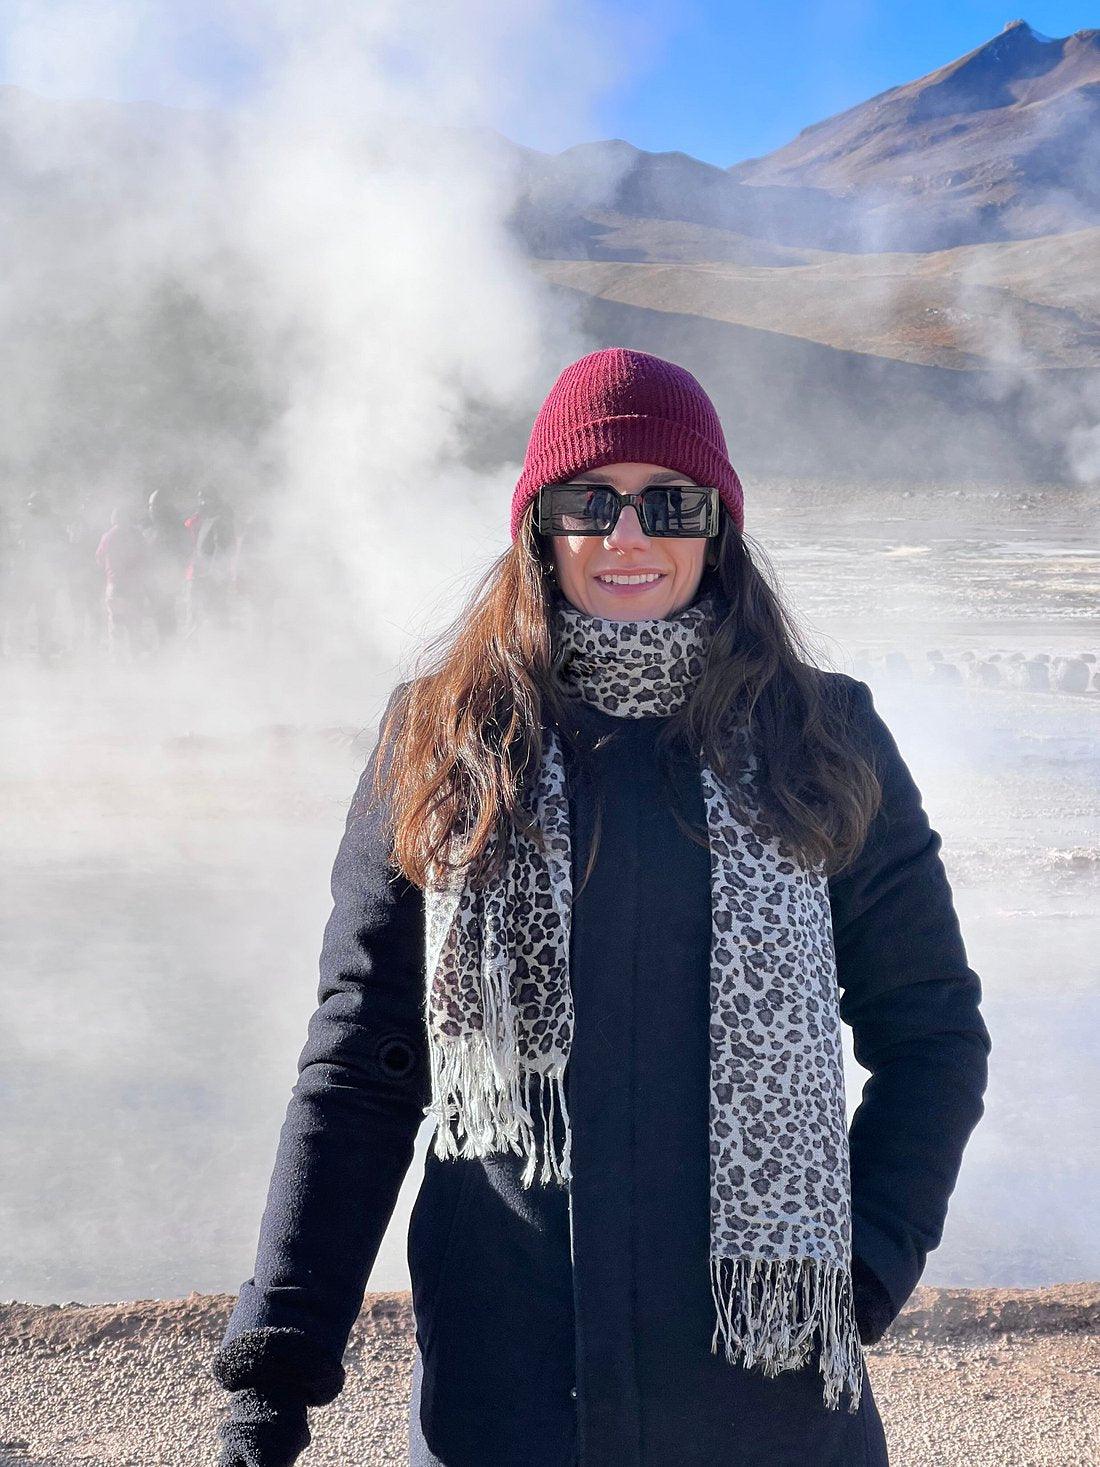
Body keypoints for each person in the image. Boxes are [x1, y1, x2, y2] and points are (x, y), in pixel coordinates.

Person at [209, 348, 992, 1467]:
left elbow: (929, 1033)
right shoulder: (442, 741)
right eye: (590, 502)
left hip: (768, 1410)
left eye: (667, 503)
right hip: (509, 1403)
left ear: (715, 525)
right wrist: (272, 1375)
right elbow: (360, 1066)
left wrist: (860, 1265)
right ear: (539, 525)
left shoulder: (820, 739)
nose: (627, 538)